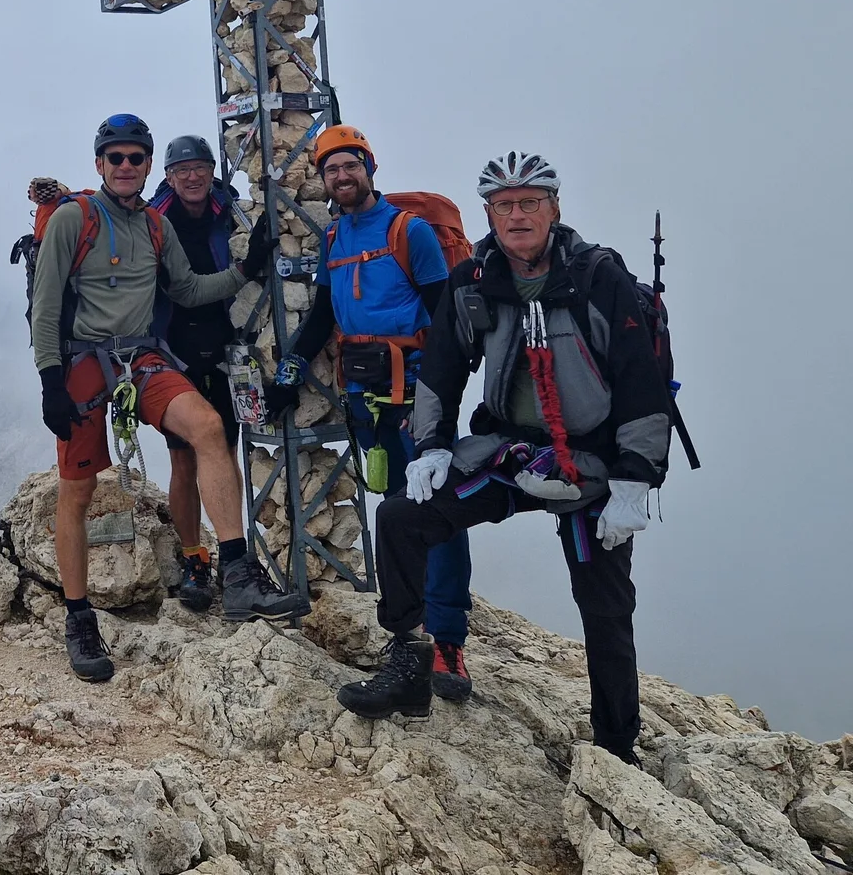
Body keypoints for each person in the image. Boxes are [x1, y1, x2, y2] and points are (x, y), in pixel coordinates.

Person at [336, 152, 671, 766]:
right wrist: (432, 448)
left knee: (605, 606)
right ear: (489, 213)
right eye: (504, 205)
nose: (517, 216)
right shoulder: (476, 279)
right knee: (403, 517)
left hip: (591, 467)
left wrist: (635, 480)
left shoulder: (598, 277)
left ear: (554, 208)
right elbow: (441, 367)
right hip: (508, 451)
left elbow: (641, 382)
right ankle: (410, 661)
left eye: (530, 202)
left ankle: (617, 746)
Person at [32, 113, 304, 681]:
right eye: (116, 158)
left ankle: (234, 574)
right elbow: (47, 303)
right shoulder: (71, 220)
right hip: (82, 362)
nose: (126, 167)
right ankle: (80, 621)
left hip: (141, 357)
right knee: (76, 492)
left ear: (148, 164)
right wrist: (49, 380)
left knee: (206, 428)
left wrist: (246, 269)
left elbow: (187, 289)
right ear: (100, 165)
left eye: (136, 158)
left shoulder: (156, 229)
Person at [266, 124, 478, 700]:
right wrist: (289, 372)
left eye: (350, 165)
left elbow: (447, 324)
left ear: (370, 168)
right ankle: (410, 642)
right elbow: (322, 317)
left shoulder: (408, 233)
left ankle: (450, 642)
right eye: (332, 170)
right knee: (394, 512)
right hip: (366, 400)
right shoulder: (335, 238)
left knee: (436, 512)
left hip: (414, 399)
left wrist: (433, 408)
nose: (342, 177)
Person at [146, 134, 243, 612]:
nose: (191, 176)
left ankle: (233, 558)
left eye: (199, 167)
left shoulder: (232, 213)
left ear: (210, 171)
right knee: (185, 459)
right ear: (168, 176)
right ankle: (194, 559)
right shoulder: (153, 222)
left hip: (229, 348)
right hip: (177, 347)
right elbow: (180, 291)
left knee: (226, 450)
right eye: (181, 169)